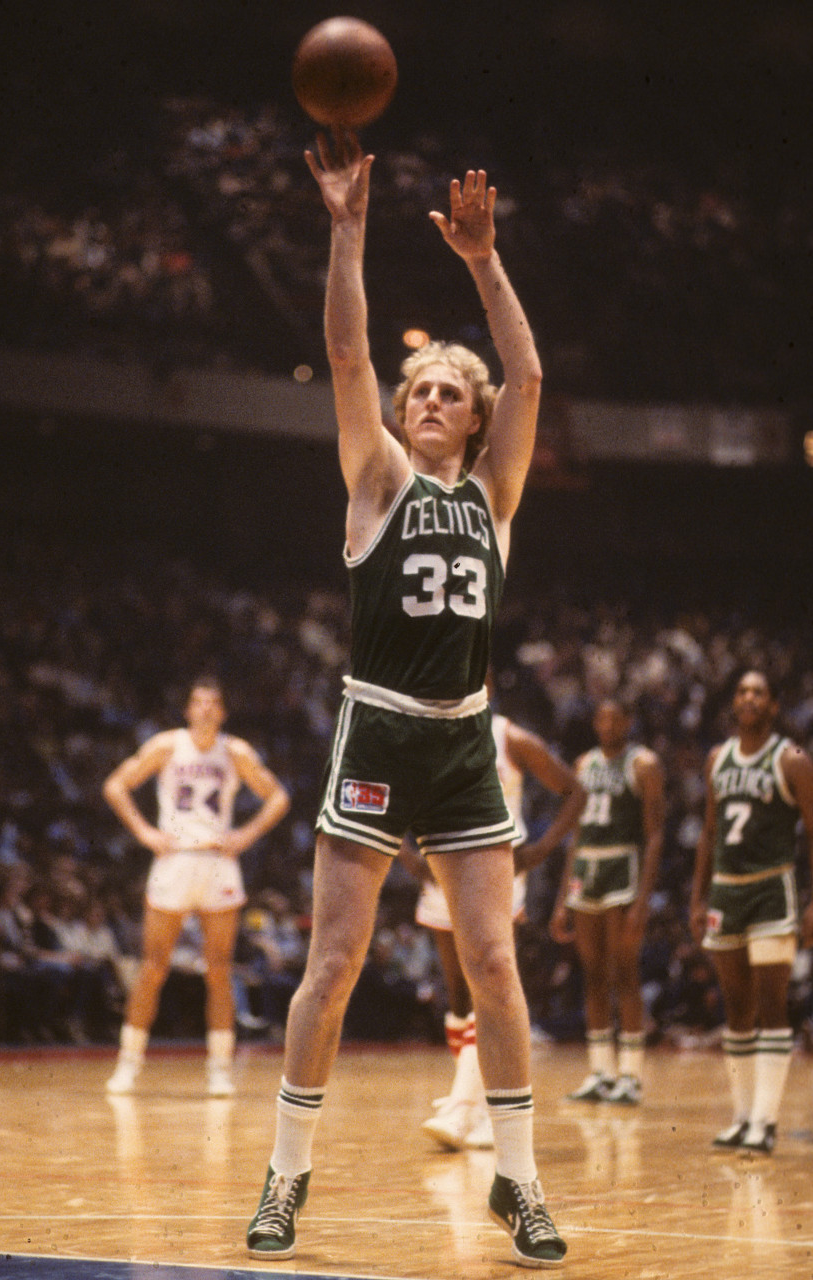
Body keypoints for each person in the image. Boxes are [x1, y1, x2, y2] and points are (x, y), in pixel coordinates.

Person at [245, 130, 566, 1269]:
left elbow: (529, 375)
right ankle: (285, 1173)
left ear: (473, 419)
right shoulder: (377, 480)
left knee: (495, 963)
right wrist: (346, 227)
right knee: (333, 963)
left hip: (464, 742)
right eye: (419, 388)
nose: (428, 398)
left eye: (447, 392)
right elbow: (345, 353)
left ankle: (519, 1181)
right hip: (377, 727)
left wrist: (483, 261)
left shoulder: (495, 494)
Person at [403, 706, 586, 1151]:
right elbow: (398, 797)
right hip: (441, 867)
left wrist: (540, 849)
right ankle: (473, 1102)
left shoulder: (510, 737)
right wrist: (405, 853)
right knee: (458, 995)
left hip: (496, 868)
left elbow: (576, 791)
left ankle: (468, 1106)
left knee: (488, 983)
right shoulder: (426, 732)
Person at [103, 677, 290, 1097]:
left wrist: (246, 835)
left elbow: (278, 797)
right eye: (198, 702)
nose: (205, 708)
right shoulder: (167, 745)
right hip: (174, 859)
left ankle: (220, 1068)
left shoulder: (235, 751)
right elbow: (115, 785)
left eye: (212, 703)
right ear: (188, 710)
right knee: (152, 967)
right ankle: (128, 1064)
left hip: (217, 860)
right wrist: (144, 832)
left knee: (220, 970)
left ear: (222, 712)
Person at [688, 669, 813, 1154]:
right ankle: (742, 1117)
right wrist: (697, 897)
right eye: (742, 691)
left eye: (759, 692)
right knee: (736, 1006)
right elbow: (708, 832)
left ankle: (766, 1120)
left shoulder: (792, 759)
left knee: (771, 1004)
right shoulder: (717, 759)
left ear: (774, 705)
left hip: (771, 890)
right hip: (726, 892)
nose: (749, 698)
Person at [550, 698, 665, 1105]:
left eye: (616, 718)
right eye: (601, 717)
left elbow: (655, 834)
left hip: (622, 867)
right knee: (593, 974)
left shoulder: (644, 764)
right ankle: (601, 1072)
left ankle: (630, 1075)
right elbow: (575, 835)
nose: (608, 724)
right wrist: (562, 899)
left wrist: (643, 899)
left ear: (629, 722)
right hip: (586, 869)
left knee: (625, 972)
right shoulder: (584, 764)